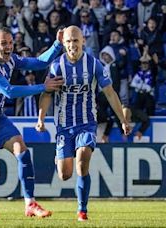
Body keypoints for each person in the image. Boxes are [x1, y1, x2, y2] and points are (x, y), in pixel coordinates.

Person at [0, 26, 65, 219]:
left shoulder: (11, 59)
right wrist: (43, 87)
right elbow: (8, 91)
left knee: (22, 150)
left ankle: (30, 204)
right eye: (3, 44)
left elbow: (40, 62)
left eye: (10, 43)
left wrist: (58, 43)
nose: (9, 47)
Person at [35, 26, 131, 221]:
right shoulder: (56, 66)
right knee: (64, 175)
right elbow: (46, 94)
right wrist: (41, 118)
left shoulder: (94, 65)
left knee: (83, 158)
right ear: (64, 44)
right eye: (68, 41)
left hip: (87, 122)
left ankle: (82, 209)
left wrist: (123, 119)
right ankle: (60, 159)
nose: (72, 45)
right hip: (64, 125)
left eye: (75, 41)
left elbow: (110, 93)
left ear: (83, 42)